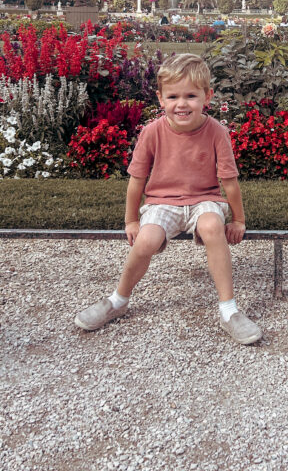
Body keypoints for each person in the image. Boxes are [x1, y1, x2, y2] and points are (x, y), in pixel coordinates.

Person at [75, 53, 262, 345]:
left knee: (213, 226)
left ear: (207, 96)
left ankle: (229, 311)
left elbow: (229, 181)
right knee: (146, 240)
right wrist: (131, 220)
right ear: (161, 99)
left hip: (204, 200)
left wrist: (238, 219)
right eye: (173, 96)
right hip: (162, 202)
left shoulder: (217, 132)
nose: (182, 104)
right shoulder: (151, 132)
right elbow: (136, 180)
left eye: (190, 95)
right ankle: (118, 299)